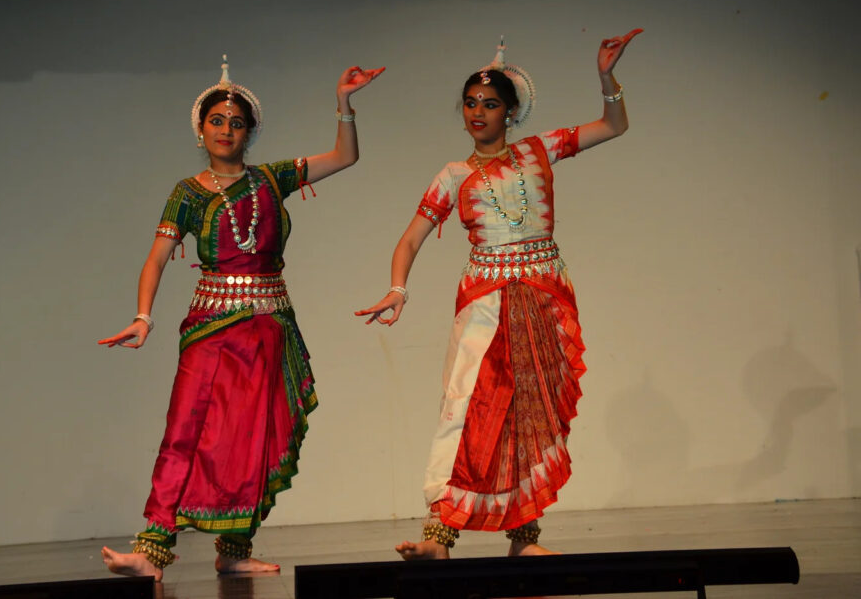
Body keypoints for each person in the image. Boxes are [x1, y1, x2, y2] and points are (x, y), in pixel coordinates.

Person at [355, 30, 641, 559]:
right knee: (470, 408)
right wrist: (398, 288)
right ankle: (439, 534)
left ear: (511, 112)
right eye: (470, 104)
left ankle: (525, 537)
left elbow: (614, 125)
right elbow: (411, 237)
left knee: (534, 412)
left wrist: (605, 77)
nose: (477, 112)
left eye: (489, 104)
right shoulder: (453, 175)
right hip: (486, 300)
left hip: (542, 296)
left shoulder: (541, 149)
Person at [100, 56, 384, 579]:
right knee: (185, 431)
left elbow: (345, 157)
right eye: (217, 121)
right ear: (201, 128)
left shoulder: (272, 179)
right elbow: (156, 257)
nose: (225, 130)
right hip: (210, 326)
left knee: (251, 439)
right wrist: (143, 316)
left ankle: (233, 553)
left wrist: (344, 104)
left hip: (268, 326)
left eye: (236, 122)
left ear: (249, 131)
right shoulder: (186, 193)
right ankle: (151, 549)